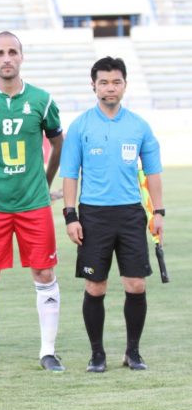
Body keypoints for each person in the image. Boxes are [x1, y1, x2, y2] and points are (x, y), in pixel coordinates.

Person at [0, 31, 65, 373]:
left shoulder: (42, 100)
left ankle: (48, 351)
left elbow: (58, 143)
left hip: (34, 203)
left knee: (44, 271)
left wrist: (45, 181)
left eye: (12, 52)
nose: (6, 58)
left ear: (21, 56)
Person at [60, 56, 163, 373]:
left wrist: (158, 212)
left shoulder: (139, 126)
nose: (110, 87)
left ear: (125, 85)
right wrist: (70, 216)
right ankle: (97, 354)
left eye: (116, 82)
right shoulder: (80, 126)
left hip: (131, 214)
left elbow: (153, 172)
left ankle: (133, 352)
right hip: (93, 215)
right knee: (95, 287)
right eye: (103, 82)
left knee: (136, 285)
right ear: (93, 86)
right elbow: (69, 174)